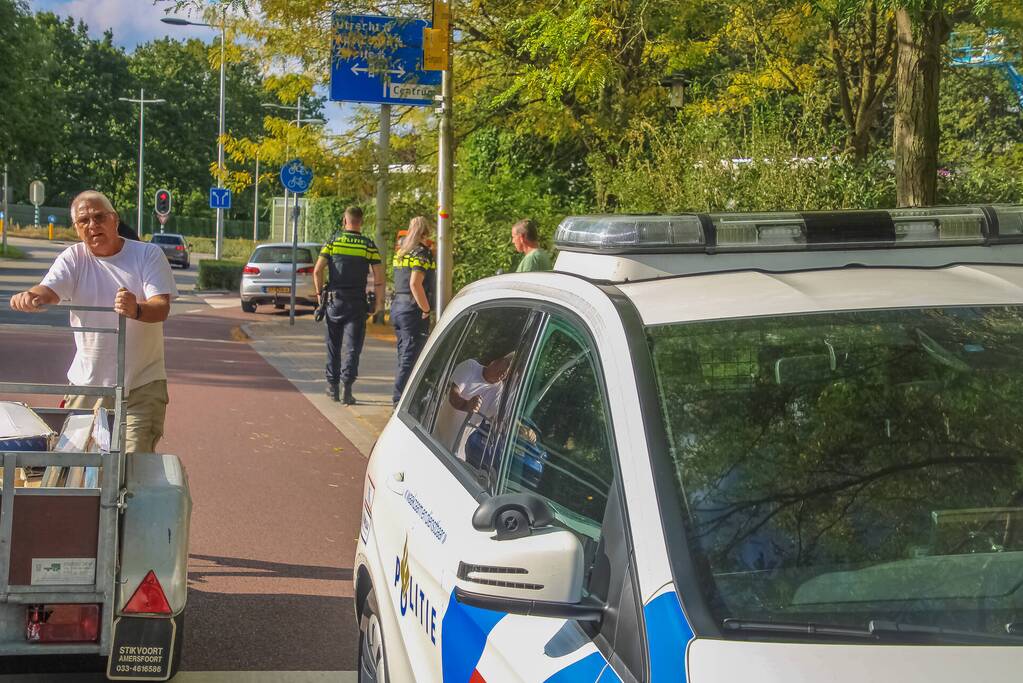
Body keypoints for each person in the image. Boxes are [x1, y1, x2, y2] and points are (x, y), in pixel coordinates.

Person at [8, 190, 178, 453]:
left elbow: (160, 307)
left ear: (114, 220)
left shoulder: (148, 255)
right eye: (83, 221)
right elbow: (49, 290)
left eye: (99, 217)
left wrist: (136, 309)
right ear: (76, 228)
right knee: (74, 464)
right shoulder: (74, 257)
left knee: (130, 465)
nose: (92, 225)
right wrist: (31, 296)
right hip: (87, 384)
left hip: (140, 386)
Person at [313, 206, 384, 405]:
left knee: (333, 346)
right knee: (353, 347)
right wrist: (378, 302)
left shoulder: (333, 241)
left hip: (334, 301)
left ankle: (333, 388)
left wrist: (320, 296)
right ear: (361, 222)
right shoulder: (368, 245)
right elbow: (379, 276)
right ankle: (347, 389)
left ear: (345, 220)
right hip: (357, 303)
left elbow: (317, 271)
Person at [390, 216, 436, 406]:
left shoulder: (402, 252)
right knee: (411, 356)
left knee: (403, 354)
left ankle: (403, 398)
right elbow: (415, 284)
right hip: (412, 309)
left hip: (397, 307)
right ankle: (399, 401)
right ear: (425, 233)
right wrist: (426, 309)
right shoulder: (421, 254)